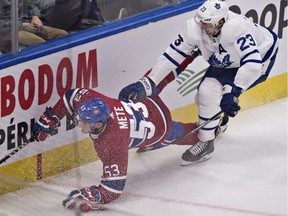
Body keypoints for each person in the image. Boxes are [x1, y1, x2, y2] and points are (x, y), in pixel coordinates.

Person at [118, 0, 279, 166]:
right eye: (201, 22)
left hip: (260, 59)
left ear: (221, 22)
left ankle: (206, 142)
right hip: (229, 61)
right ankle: (218, 124)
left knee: (208, 92)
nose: (202, 27)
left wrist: (234, 92)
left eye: (207, 24)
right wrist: (149, 81)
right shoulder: (195, 28)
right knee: (204, 98)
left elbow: (252, 64)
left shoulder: (237, 29)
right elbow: (172, 55)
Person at [31, 87, 200, 212]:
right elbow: (72, 96)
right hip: (148, 101)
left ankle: (201, 135)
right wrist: (52, 117)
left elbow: (113, 189)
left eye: (83, 122)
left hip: (159, 125)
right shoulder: (91, 100)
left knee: (171, 134)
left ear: (98, 124)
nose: (79, 124)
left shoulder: (112, 143)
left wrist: (92, 196)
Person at [0, 0, 68, 54]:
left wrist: (35, 17)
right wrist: (21, 25)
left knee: (62, 34)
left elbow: (31, 5)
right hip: (8, 30)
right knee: (40, 43)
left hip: (27, 23)